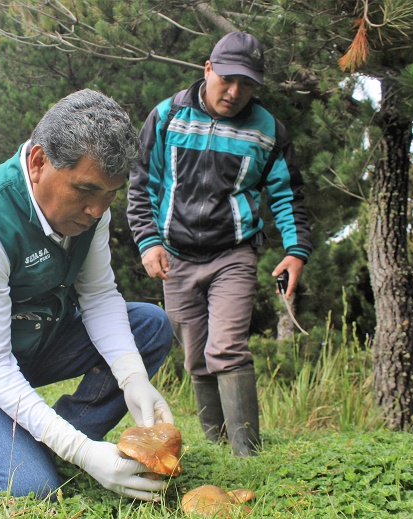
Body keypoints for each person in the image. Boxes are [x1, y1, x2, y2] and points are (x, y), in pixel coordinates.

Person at [0, 89, 175, 501]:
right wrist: (82, 452)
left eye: (110, 195)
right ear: (38, 162)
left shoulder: (92, 209)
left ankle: (42, 440)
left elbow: (99, 296)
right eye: (85, 190)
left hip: (34, 335)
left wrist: (133, 377)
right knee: (32, 487)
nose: (97, 211)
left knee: (149, 326)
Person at [127, 32, 312, 457]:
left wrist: (295, 250)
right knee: (196, 358)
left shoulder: (268, 130)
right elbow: (141, 184)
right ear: (208, 69)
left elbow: (287, 195)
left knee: (226, 348)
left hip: (234, 254)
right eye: (227, 79)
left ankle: (247, 455)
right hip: (175, 256)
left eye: (246, 84)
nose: (234, 92)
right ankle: (217, 448)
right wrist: (148, 242)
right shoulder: (168, 116)